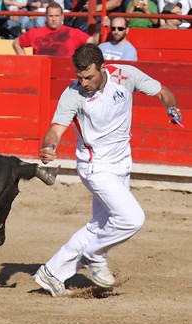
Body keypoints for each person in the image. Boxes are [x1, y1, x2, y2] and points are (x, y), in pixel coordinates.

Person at [32, 43, 182, 297]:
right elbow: (56, 129)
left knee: (98, 226)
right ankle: (94, 254)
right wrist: (49, 147)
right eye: (80, 77)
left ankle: (52, 273)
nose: (84, 82)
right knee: (132, 218)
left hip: (122, 164)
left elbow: (163, 91)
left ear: (103, 68)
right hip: (95, 167)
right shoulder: (73, 94)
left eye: (89, 76)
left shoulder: (126, 76)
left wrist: (172, 106)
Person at [12, 2, 97, 56]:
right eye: (51, 16)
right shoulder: (34, 32)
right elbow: (16, 43)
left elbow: (92, 41)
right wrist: (27, 62)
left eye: (57, 16)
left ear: (62, 17)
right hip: (41, 75)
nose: (54, 19)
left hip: (65, 75)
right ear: (46, 17)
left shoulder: (73, 33)